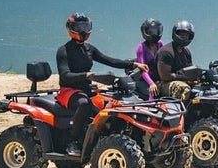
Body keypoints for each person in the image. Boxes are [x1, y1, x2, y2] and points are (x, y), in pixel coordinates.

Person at [56, 12, 149, 156]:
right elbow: (65, 75)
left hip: (87, 88)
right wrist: (87, 75)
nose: (82, 30)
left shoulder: (89, 49)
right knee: (84, 104)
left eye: (85, 26)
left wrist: (134, 64)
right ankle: (72, 141)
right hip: (69, 90)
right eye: (79, 26)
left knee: (111, 102)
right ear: (70, 28)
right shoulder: (63, 51)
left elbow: (110, 60)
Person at [154, 20, 195, 103]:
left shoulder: (186, 52)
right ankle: (182, 114)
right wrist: (185, 77)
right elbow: (164, 76)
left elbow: (190, 70)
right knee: (183, 88)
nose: (184, 37)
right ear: (175, 33)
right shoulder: (166, 52)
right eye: (181, 34)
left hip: (180, 80)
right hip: (162, 84)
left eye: (186, 35)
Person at [135, 18, 164, 100]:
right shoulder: (141, 47)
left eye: (155, 31)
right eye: (150, 31)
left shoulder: (160, 44)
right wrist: (151, 83)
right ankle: (151, 109)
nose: (153, 34)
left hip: (157, 78)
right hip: (144, 79)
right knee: (153, 92)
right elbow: (143, 69)